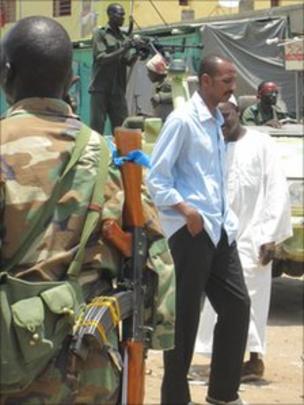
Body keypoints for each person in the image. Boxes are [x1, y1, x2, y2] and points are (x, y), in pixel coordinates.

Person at [0, 15, 176, 404]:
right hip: (90, 369)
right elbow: (154, 260)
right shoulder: (112, 158)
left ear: (6, 74)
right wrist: (149, 336)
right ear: (71, 82)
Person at [146, 55, 250, 405]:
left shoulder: (216, 120)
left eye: (233, 81)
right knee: (185, 320)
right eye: (226, 81)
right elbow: (156, 179)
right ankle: (175, 398)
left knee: (237, 308)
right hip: (191, 233)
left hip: (220, 231)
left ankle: (223, 394)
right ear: (205, 81)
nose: (232, 88)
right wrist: (186, 210)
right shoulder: (182, 121)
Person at [195, 101, 292, 382]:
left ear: (237, 112)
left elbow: (276, 189)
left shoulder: (261, 144)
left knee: (253, 300)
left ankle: (252, 361)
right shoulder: (213, 146)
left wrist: (271, 235)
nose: (222, 122)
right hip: (222, 237)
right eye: (217, 118)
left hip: (255, 236)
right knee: (219, 302)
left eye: (225, 115)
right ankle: (225, 360)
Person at [89, 3, 137, 134]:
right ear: (110, 15)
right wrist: (124, 49)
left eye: (123, 15)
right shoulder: (100, 33)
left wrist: (138, 53)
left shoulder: (123, 36)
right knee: (97, 127)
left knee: (122, 128)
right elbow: (101, 58)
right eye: (120, 14)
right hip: (100, 89)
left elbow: (127, 61)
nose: (123, 18)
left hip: (118, 90)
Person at [146, 53, 173, 121]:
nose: (148, 75)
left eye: (150, 72)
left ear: (156, 72)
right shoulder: (161, 84)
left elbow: (177, 95)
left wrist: (161, 97)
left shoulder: (167, 84)